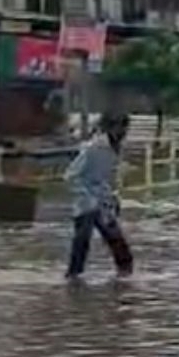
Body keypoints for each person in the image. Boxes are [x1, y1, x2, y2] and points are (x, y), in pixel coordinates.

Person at [64, 112, 134, 280]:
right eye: (120, 128)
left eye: (125, 128)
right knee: (82, 243)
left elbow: (109, 178)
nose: (123, 132)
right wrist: (86, 195)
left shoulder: (115, 148)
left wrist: (114, 198)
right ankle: (73, 279)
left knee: (117, 241)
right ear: (110, 128)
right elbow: (70, 175)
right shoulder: (93, 148)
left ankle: (125, 277)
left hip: (104, 202)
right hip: (87, 203)